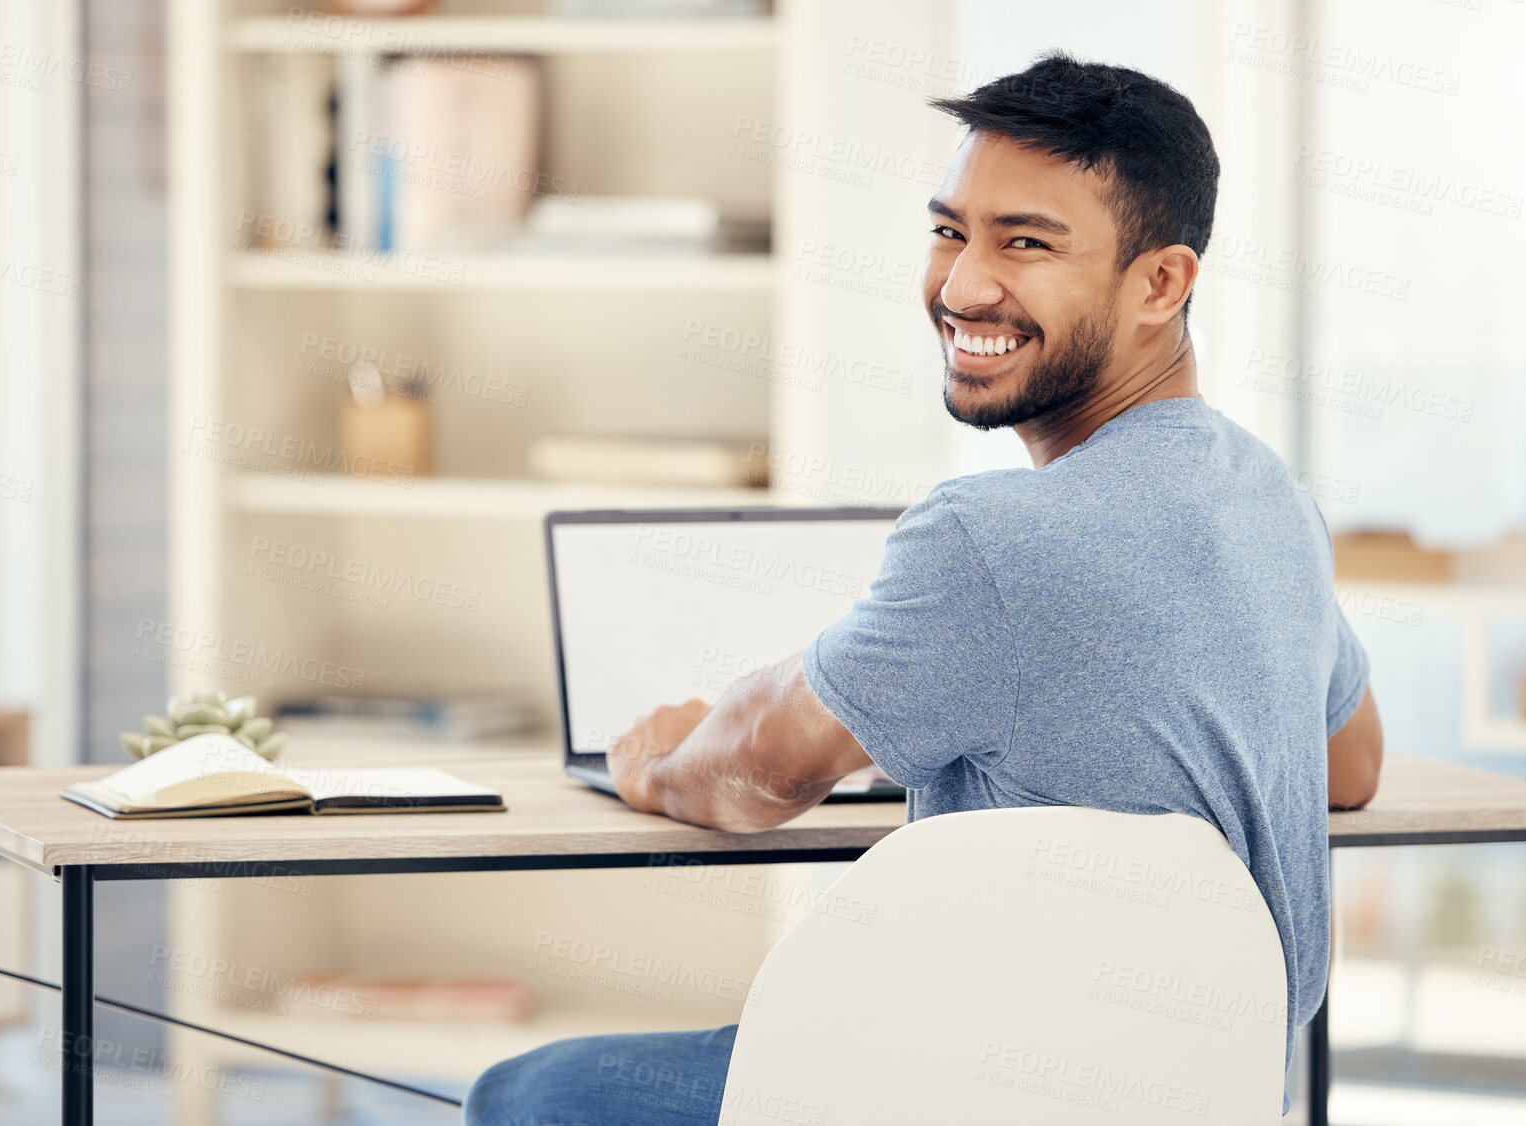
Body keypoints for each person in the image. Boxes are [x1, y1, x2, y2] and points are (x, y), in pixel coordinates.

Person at [465, 50, 1383, 1126]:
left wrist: (658, 763)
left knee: (523, 1092)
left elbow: (761, 770)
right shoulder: (1273, 502)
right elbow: (1348, 767)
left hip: (963, 1088)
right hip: (1202, 1096)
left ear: (1161, 283)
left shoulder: (991, 536)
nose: (960, 286)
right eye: (950, 230)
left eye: (1025, 244)